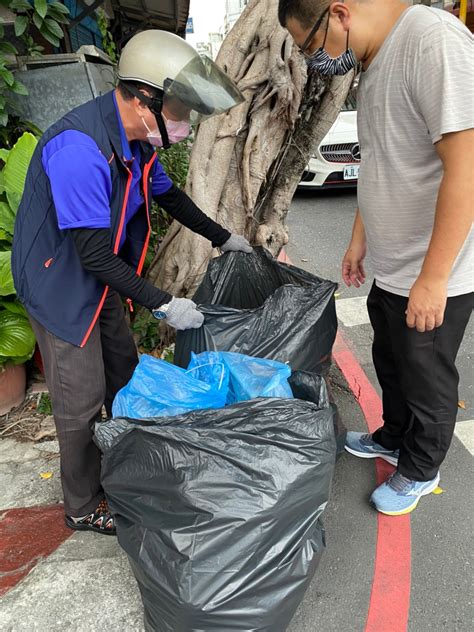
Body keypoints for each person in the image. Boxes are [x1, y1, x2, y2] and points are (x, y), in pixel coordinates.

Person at [12, 30, 252, 535]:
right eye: (180, 110)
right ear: (144, 99)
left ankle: (125, 465)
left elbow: (171, 200)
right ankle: (82, 504)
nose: (184, 122)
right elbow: (94, 253)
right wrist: (165, 303)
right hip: (60, 284)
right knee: (81, 399)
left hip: (98, 278)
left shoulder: (137, 142)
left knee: (123, 371)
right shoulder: (80, 149)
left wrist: (223, 237)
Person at [278, 0, 473, 515]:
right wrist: (359, 238)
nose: (314, 59)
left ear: (338, 14)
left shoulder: (432, 40)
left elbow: (467, 167)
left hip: (435, 269)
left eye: (310, 45)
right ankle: (394, 436)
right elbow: (382, 163)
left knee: (425, 371)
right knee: (391, 359)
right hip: (392, 262)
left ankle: (421, 468)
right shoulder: (375, 60)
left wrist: (433, 279)